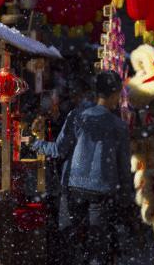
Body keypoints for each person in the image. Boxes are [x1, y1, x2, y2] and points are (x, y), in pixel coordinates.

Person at [31, 70, 132, 264]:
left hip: (73, 186)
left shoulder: (78, 116)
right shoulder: (119, 126)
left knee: (70, 240)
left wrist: (35, 144)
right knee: (97, 245)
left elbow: (59, 150)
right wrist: (126, 197)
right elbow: (123, 167)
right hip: (101, 190)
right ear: (116, 93)